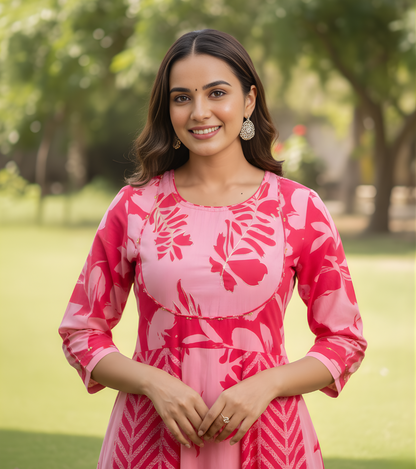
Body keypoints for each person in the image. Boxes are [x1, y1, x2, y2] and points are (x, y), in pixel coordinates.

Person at [59, 29, 367, 469]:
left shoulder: (298, 208)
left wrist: (268, 385)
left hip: (270, 444)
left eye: (217, 93)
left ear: (249, 101)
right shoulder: (136, 207)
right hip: (148, 444)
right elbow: (80, 332)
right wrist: (152, 382)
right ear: (168, 109)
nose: (199, 112)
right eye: (182, 97)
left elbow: (345, 339)